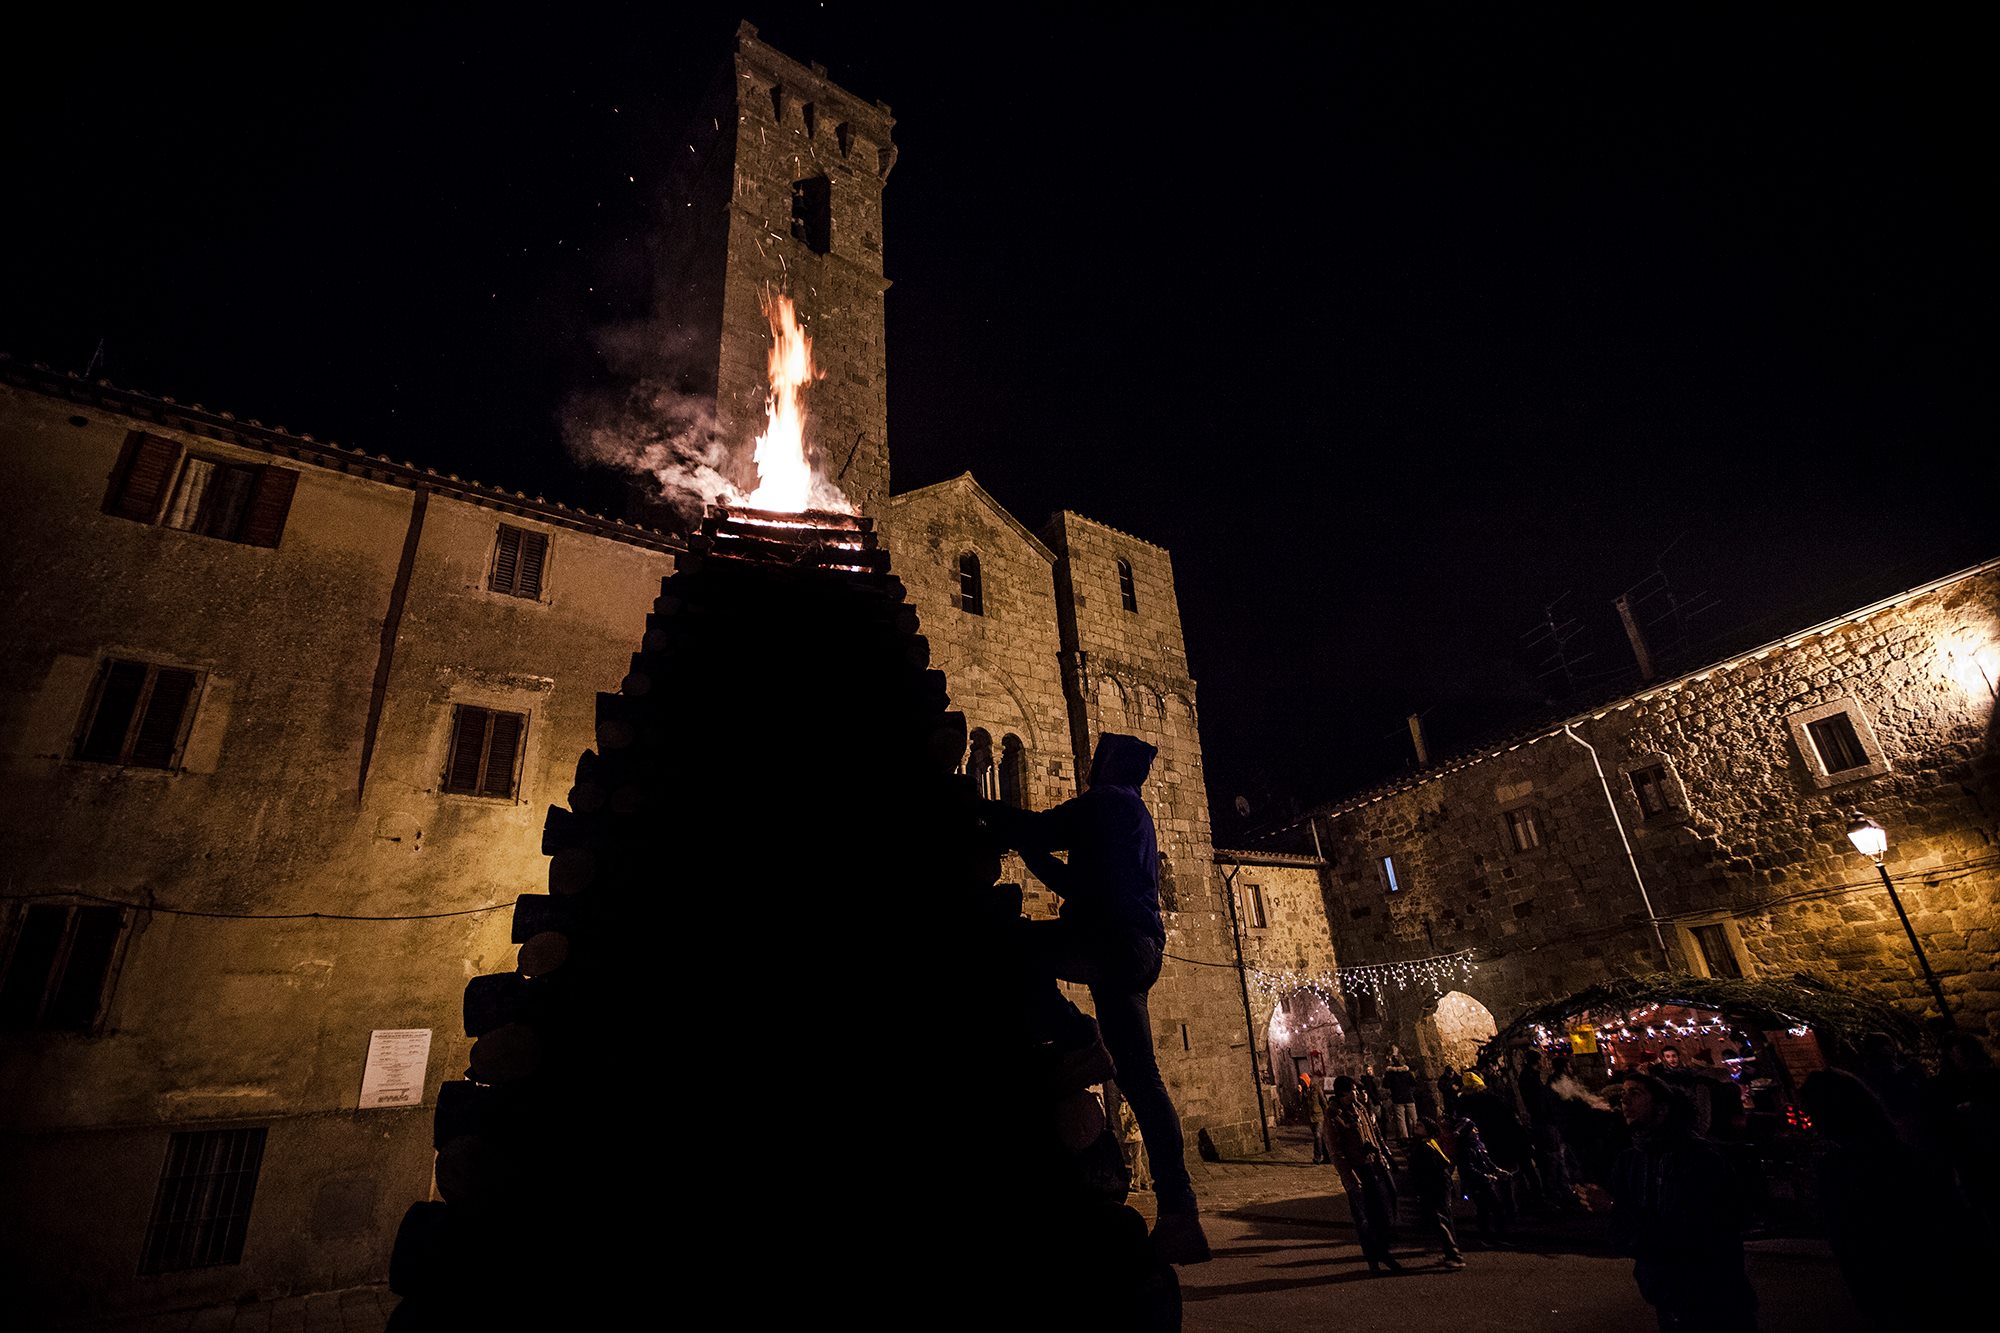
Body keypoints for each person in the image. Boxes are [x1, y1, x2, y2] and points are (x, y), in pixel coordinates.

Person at [983, 732, 1210, 1264]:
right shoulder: (1133, 819)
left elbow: (1042, 828)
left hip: (1108, 943)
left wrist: (990, 813)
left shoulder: (1107, 804)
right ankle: (1182, 1215)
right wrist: (1031, 848)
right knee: (1142, 1080)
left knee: (1011, 945)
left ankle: (1079, 1038)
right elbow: (1072, 880)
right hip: (1136, 951)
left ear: (1108, 767)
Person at [1800, 1068, 1982, 1328]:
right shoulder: (1909, 1151)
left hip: (1898, 1282)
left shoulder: (1840, 1169)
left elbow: (1848, 1239)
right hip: (1945, 1274)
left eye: (1813, 1112)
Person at [1603, 1072, 1758, 1332]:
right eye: (1623, 1095)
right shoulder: (1631, 1160)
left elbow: (1689, 1231)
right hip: (1666, 1294)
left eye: (1635, 1094)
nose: (1625, 1101)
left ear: (1663, 1109)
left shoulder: (1698, 1157)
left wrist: (1611, 1207)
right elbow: (1622, 1235)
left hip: (1713, 1291)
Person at [1326, 1074, 1403, 1274]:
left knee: (1384, 1211)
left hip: (1374, 1166)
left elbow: (1374, 1134)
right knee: (1364, 1218)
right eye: (1353, 1090)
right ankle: (1373, 1261)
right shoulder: (1335, 1116)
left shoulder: (1360, 1108)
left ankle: (1384, 1251)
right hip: (1358, 1171)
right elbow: (1336, 1152)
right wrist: (1350, 1177)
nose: (1357, 1093)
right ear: (1343, 1093)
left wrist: (1385, 1155)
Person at [1408, 1118, 1467, 1269]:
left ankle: (1454, 1255)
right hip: (1438, 1186)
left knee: (1441, 1221)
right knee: (1444, 1220)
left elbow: (1430, 1168)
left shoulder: (1425, 1147)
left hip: (1434, 1188)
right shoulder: (1429, 1144)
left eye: (1420, 1125)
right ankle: (1451, 1253)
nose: (1416, 1126)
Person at [1383, 1046, 1420, 1143]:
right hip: (1408, 1097)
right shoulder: (1407, 1073)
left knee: (1401, 1120)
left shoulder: (1391, 1074)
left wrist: (1387, 1073)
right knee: (1414, 1118)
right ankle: (1418, 1135)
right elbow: (1414, 1083)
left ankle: (1405, 1139)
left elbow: (1385, 1085)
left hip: (1397, 1098)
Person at [1302, 1072, 1329, 1163]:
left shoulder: (1316, 1088)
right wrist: (1300, 1093)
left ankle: (1317, 1157)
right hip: (1311, 1118)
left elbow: (1323, 1102)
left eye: (1302, 1080)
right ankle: (1328, 1157)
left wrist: (1327, 1114)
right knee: (1320, 1138)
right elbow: (1302, 1104)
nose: (1301, 1083)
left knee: (1318, 1136)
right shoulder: (1304, 1090)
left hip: (1319, 1116)